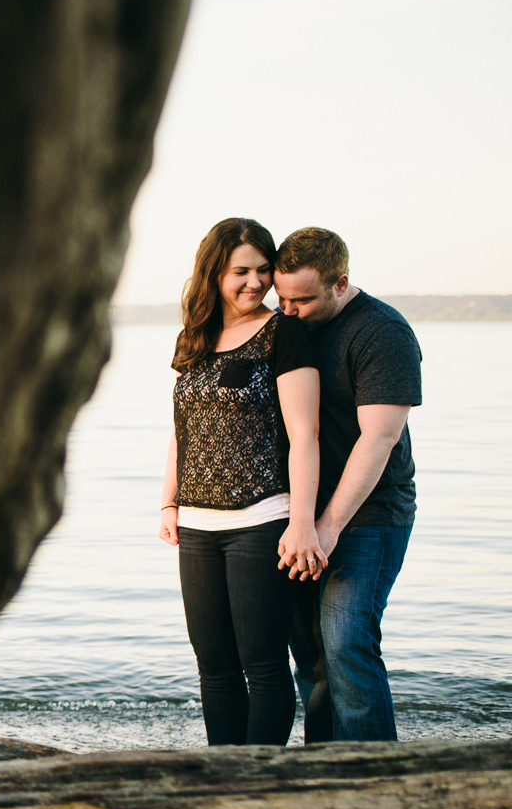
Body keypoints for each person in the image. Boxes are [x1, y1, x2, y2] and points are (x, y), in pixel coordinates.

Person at [158, 218, 321, 746]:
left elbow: (305, 436)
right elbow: (183, 430)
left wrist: (302, 522)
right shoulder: (195, 338)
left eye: (263, 270)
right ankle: (222, 777)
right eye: (241, 271)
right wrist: (168, 504)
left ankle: (260, 781)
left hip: (262, 520)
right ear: (215, 273)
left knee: (264, 665)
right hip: (197, 525)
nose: (255, 282)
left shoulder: (284, 334)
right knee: (214, 666)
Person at [274, 227, 421, 742]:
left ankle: (375, 774)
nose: (288, 310)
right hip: (300, 516)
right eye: (282, 298)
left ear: (340, 283)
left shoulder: (382, 333)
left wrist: (328, 526)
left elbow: (379, 440)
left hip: (369, 517)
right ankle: (325, 768)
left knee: (347, 642)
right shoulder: (290, 325)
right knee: (312, 654)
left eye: (303, 300)